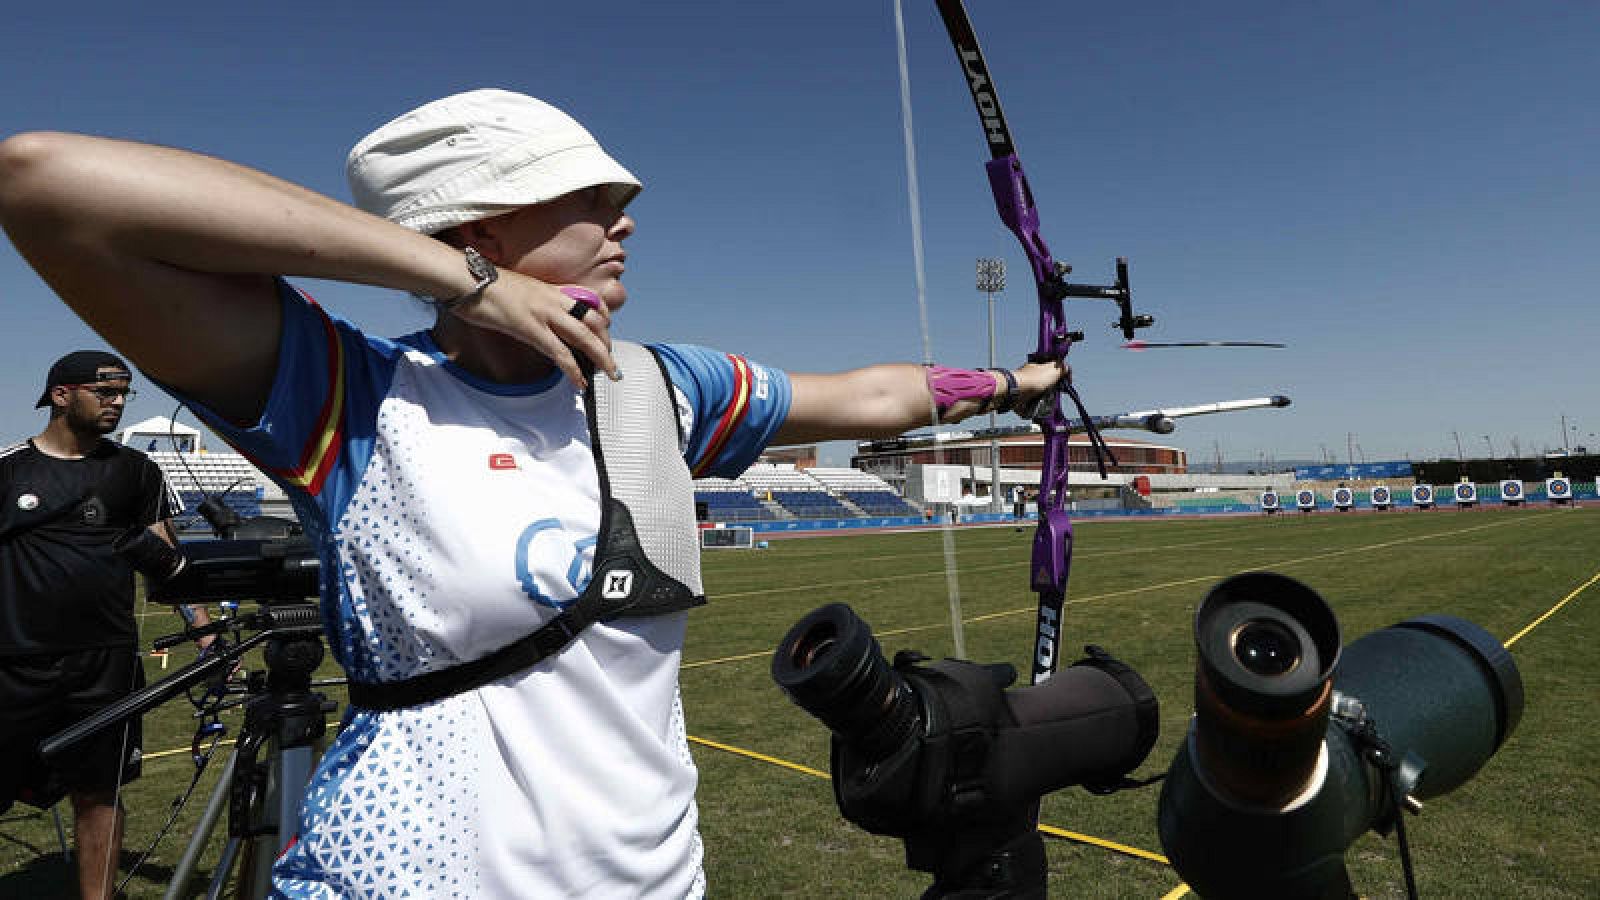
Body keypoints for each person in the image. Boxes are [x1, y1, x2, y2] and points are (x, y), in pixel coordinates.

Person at [0, 89, 1066, 898]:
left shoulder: (658, 389)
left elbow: (863, 396)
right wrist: (459, 280)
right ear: (483, 230)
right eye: (591, 201)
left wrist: (1013, 384)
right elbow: (44, 182)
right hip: (417, 874)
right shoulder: (352, 397)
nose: (625, 222)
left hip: (654, 877)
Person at [0, 350, 201, 900]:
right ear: (61, 395)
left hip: (105, 664)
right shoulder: (9, 469)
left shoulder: (137, 471)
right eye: (104, 392)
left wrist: (204, 633)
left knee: (100, 794)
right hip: (14, 661)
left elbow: (164, 560)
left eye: (122, 394)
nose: (117, 403)